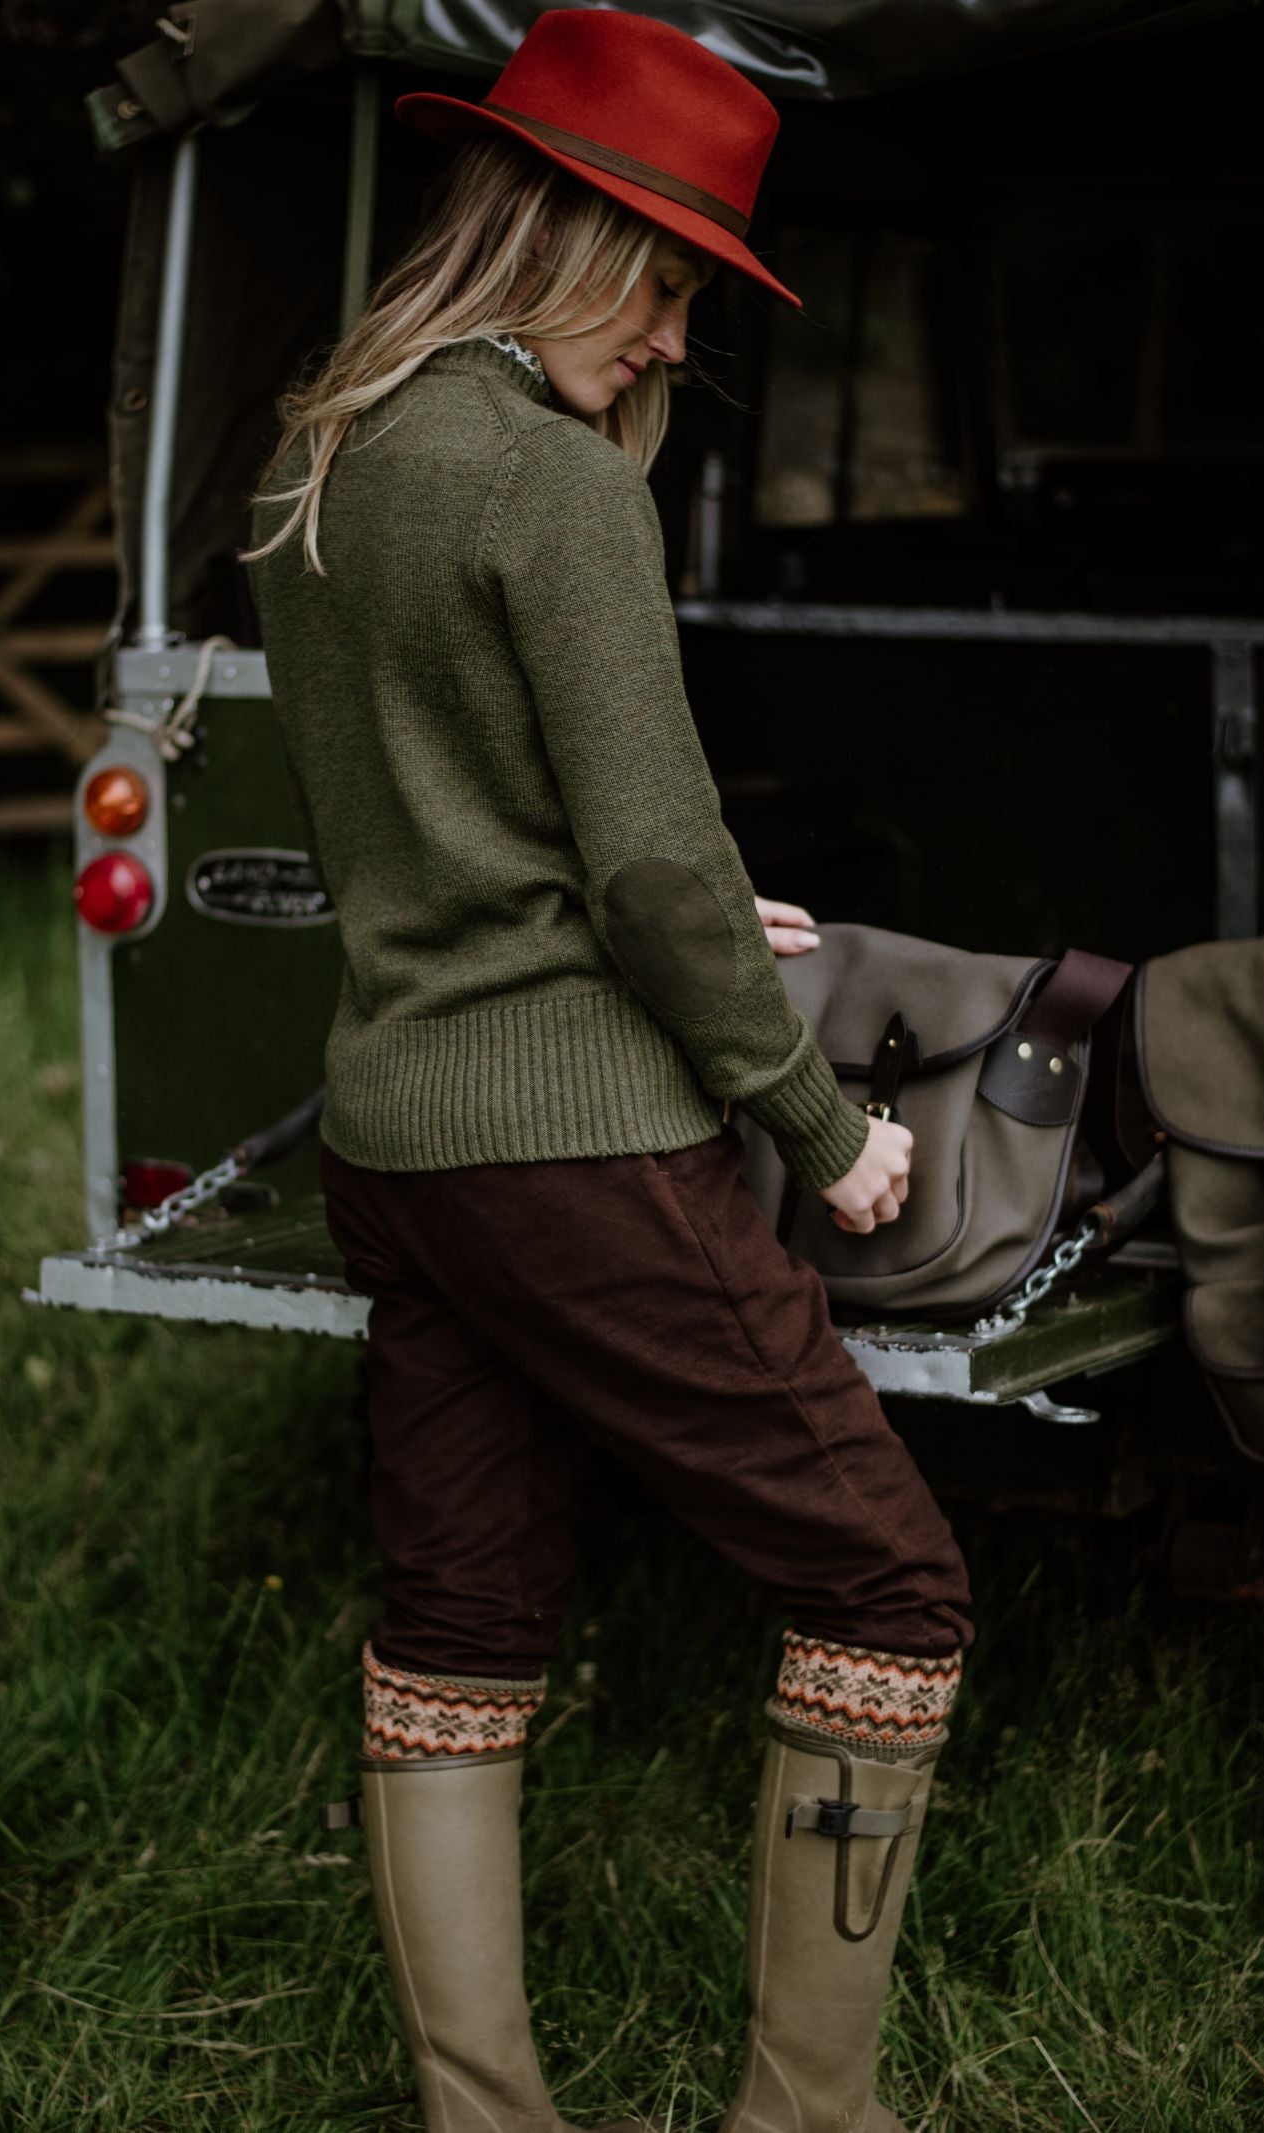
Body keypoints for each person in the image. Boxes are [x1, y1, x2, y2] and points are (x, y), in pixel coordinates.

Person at [242, 14, 973, 2131]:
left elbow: (453, 816)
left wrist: (675, 897)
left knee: (459, 1621)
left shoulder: (324, 457)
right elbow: (646, 863)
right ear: (552, 231)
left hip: (398, 1135)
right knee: (890, 1579)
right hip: (575, 1145)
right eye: (658, 281)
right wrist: (823, 1129)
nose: (667, 340)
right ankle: (806, 2115)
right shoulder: (550, 486)